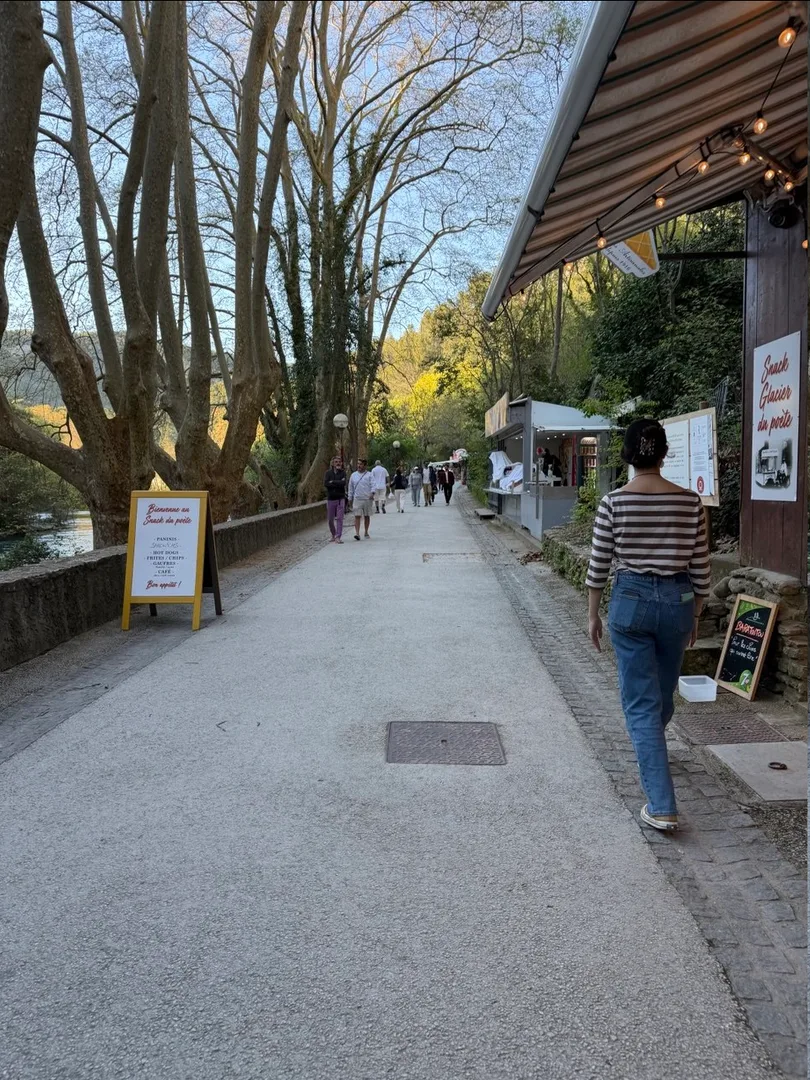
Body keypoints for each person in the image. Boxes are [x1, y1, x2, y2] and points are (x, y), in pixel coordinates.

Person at [585, 419, 710, 833]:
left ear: (627, 456)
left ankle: (661, 805)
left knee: (641, 702)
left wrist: (592, 613)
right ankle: (653, 749)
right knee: (662, 692)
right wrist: (694, 614)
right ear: (664, 454)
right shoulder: (690, 502)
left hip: (631, 601)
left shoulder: (614, 502)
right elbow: (701, 566)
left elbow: (599, 563)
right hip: (678, 600)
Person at [348, 458, 376, 539]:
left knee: (367, 516)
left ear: (365, 465)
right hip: (357, 498)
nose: (359, 466)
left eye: (361, 464)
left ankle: (366, 532)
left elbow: (373, 484)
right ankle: (357, 533)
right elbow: (351, 487)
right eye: (358, 464)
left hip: (367, 498)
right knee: (357, 516)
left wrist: (372, 492)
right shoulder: (353, 475)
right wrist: (350, 497)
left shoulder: (369, 475)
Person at [323, 456, 347, 543]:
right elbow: (326, 484)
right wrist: (337, 483)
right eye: (336, 462)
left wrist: (332, 482)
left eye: (339, 462)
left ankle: (338, 536)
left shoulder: (343, 473)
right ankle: (333, 534)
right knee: (330, 519)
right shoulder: (328, 473)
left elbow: (343, 483)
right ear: (332, 463)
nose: (338, 463)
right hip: (331, 499)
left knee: (340, 518)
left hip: (340, 498)